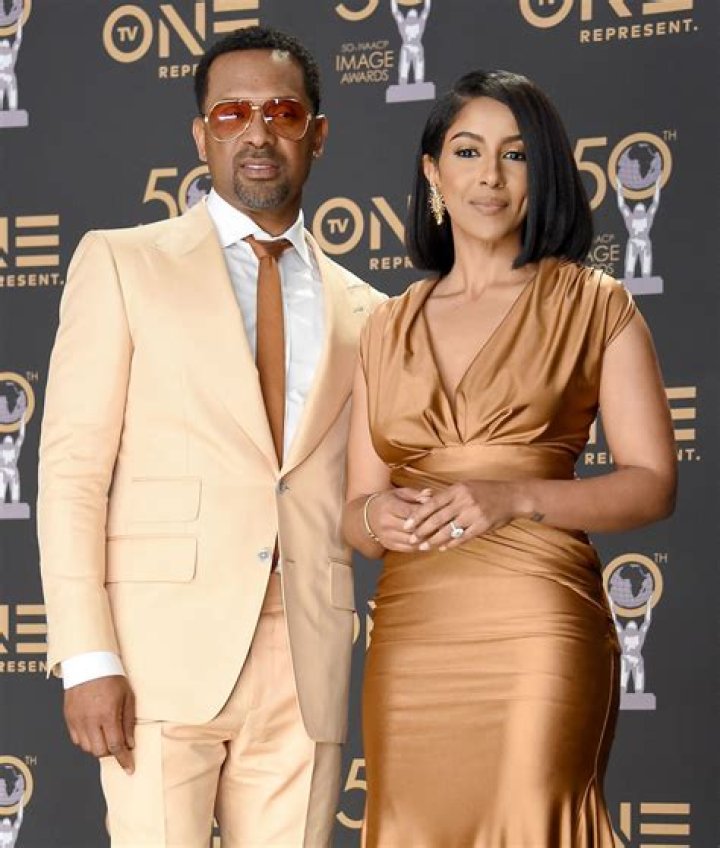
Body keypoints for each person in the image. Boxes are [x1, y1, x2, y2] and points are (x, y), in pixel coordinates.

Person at [38, 26, 384, 847]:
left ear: (318, 134)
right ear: (202, 136)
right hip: (158, 658)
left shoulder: (369, 309)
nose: (257, 133)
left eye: (282, 112)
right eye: (232, 113)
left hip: (307, 659)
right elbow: (73, 473)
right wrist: (87, 657)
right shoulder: (122, 264)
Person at [343, 69, 676, 846]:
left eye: (515, 154)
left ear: (543, 172)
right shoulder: (385, 326)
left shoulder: (595, 304)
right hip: (413, 637)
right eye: (467, 152)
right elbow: (355, 514)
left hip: (536, 626)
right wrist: (375, 514)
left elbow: (653, 484)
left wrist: (518, 497)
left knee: (530, 820)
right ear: (433, 172)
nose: (489, 176)